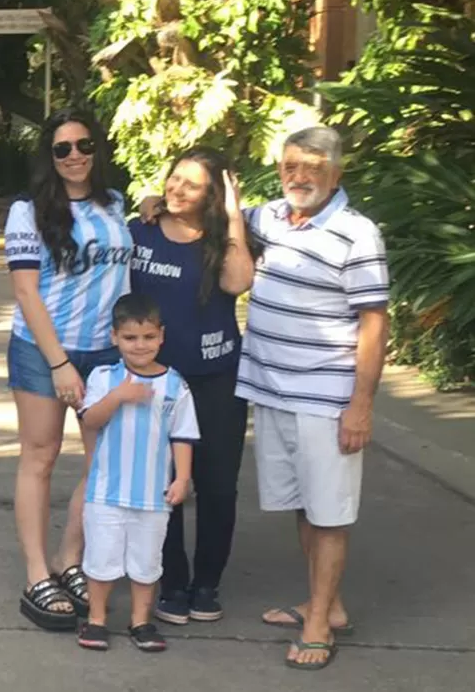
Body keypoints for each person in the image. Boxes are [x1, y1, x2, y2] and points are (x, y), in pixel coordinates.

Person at [237, 127, 387, 670]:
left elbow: (374, 321)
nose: (300, 177)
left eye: (314, 167)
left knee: (329, 514)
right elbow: (217, 212)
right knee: (304, 504)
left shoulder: (357, 233)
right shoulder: (269, 217)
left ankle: (319, 624)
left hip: (326, 397)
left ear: (336, 173)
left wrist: (361, 406)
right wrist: (159, 201)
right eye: (291, 166)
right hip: (272, 390)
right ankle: (329, 605)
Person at [4, 109, 133, 631]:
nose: (75, 156)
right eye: (63, 149)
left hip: (105, 353)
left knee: (102, 461)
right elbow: (25, 291)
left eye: (84, 145)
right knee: (41, 456)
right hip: (42, 349)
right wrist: (58, 362)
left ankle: (69, 557)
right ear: (49, 157)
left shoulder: (117, 204)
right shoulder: (28, 212)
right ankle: (37, 573)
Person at [128, 149, 255, 625]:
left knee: (218, 487)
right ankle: (172, 582)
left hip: (217, 378)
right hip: (157, 383)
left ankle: (207, 584)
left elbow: (239, 281)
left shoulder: (222, 241)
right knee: (163, 486)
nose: (178, 189)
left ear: (212, 196)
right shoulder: (139, 231)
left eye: (193, 184)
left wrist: (233, 219)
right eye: (174, 178)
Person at [75, 293, 198, 653]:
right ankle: (96, 619)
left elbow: (183, 435)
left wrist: (182, 478)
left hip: (152, 495)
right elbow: (90, 420)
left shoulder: (175, 384)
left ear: (161, 336)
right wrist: (119, 396)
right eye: (130, 337)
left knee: (147, 562)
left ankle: (141, 621)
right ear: (114, 337)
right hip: (105, 493)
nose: (140, 345)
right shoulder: (103, 377)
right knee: (101, 559)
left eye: (148, 337)